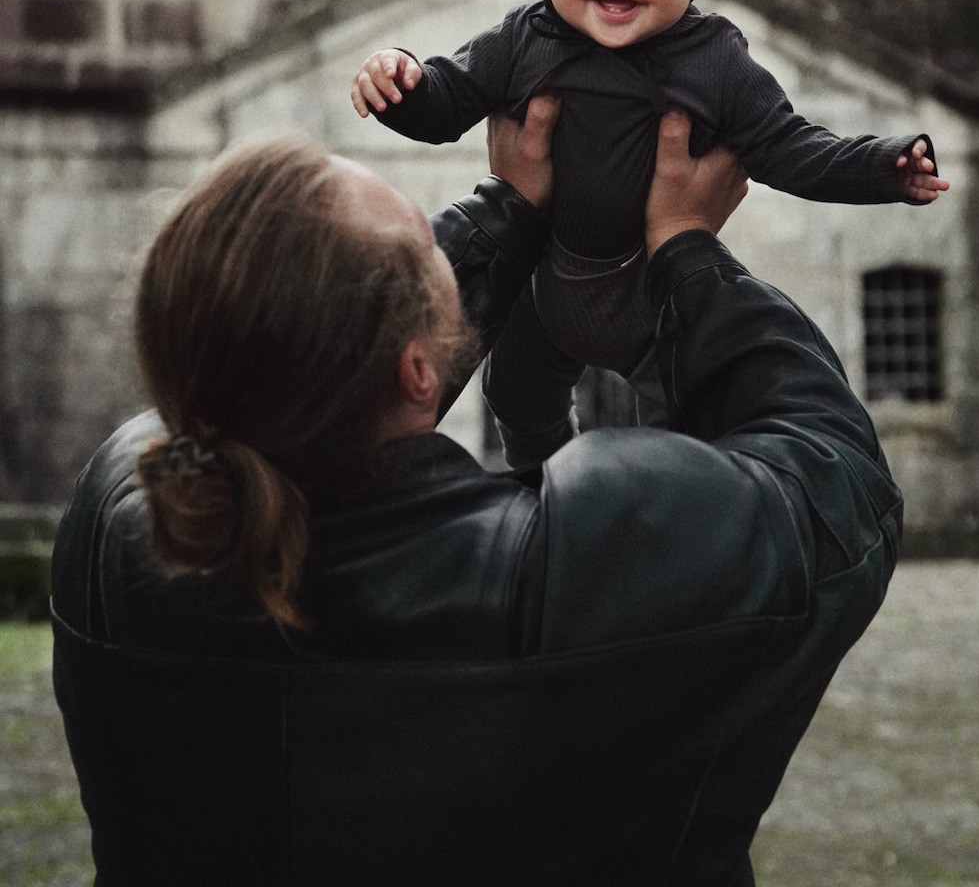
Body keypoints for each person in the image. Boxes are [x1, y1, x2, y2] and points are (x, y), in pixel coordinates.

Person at [52, 101, 904, 887]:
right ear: (419, 369)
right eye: (428, 250)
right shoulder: (568, 574)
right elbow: (835, 477)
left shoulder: (116, 520)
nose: (440, 250)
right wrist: (685, 247)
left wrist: (512, 209)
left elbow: (292, 358)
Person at [353, 0, 948, 464]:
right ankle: (543, 483)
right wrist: (402, 84)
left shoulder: (716, 59)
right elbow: (449, 100)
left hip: (652, 291)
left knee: (680, 419)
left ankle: (660, 502)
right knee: (514, 394)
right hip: (549, 283)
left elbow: (788, 147)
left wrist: (885, 167)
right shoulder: (522, 39)